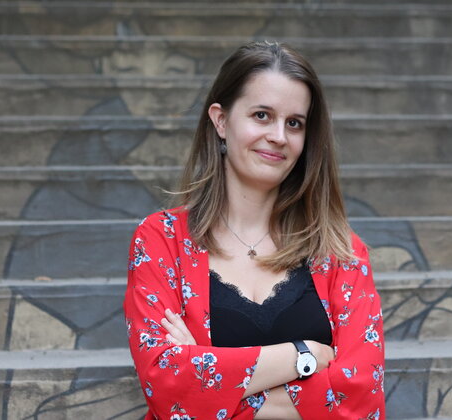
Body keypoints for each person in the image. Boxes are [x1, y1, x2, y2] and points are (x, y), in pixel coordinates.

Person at [123, 41, 385, 420]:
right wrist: (304, 355)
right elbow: (167, 385)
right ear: (221, 121)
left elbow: (361, 398)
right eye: (262, 115)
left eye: (294, 123)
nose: (279, 136)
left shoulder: (340, 250)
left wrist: (209, 378)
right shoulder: (161, 239)